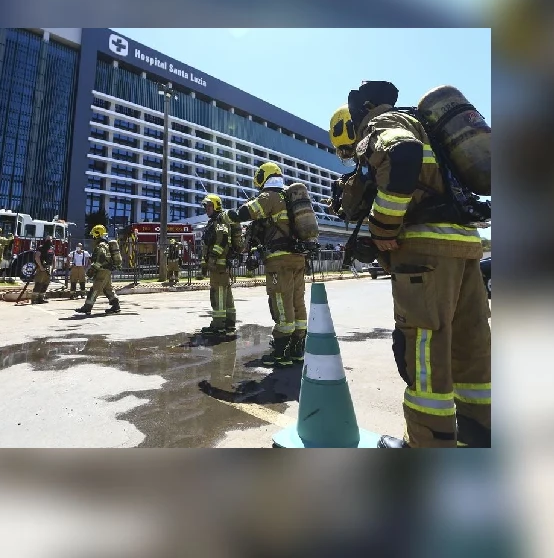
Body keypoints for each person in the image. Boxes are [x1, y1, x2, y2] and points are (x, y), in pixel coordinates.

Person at [327, 82, 490, 448]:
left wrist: (383, 225)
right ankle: (477, 439)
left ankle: (426, 446)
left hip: (426, 254)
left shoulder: (382, 122)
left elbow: (402, 155)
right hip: (465, 247)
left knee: (423, 352)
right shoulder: (425, 126)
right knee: (471, 349)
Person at [221, 162, 308, 367]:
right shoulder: (290, 197)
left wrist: (225, 216)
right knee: (298, 303)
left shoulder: (270, 197)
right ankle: (297, 350)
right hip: (298, 258)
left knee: (281, 301)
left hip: (280, 260)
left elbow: (244, 213)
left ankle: (280, 353)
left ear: (263, 177)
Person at [199, 194, 237, 337]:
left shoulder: (220, 221)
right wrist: (205, 264)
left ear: (216, 206)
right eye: (205, 207)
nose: (207, 209)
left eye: (209, 206)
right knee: (226, 296)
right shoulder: (214, 221)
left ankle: (219, 326)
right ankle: (229, 324)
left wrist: (213, 259)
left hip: (219, 266)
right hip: (218, 266)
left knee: (218, 295)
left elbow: (222, 241)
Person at [76, 224, 122, 315]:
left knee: (95, 289)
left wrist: (92, 269)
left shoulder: (101, 245)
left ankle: (87, 307)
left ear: (97, 234)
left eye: (93, 235)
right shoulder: (105, 244)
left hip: (102, 270)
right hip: (107, 270)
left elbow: (101, 257)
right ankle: (116, 306)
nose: (92, 237)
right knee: (108, 288)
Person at [30, 238, 53, 304]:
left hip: (48, 268)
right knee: (39, 283)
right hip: (42, 268)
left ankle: (41, 298)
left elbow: (53, 257)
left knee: (46, 283)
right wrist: (41, 266)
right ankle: (34, 299)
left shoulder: (51, 249)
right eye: (49, 240)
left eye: (51, 240)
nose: (50, 241)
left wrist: (53, 267)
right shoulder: (41, 248)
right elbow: (37, 257)